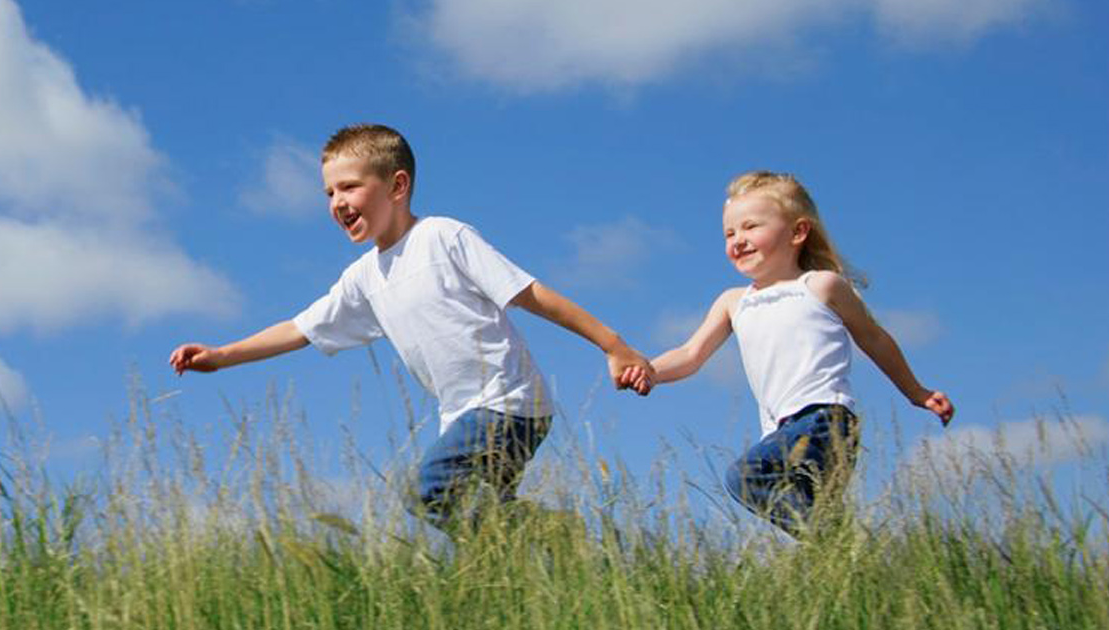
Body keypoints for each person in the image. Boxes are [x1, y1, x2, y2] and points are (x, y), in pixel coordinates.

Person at [168, 123, 652, 533]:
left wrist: (614, 345)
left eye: (350, 187)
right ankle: (549, 544)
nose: (337, 201)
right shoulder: (364, 278)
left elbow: (530, 295)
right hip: (464, 417)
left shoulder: (442, 238)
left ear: (397, 186)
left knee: (429, 490)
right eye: (329, 192)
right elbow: (300, 328)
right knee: (481, 525)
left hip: (509, 405)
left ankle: (547, 536)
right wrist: (222, 355)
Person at [648, 170, 954, 537]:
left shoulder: (820, 286)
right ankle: (851, 560)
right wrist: (648, 371)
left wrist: (916, 392)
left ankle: (842, 547)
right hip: (780, 431)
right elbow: (690, 353)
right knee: (813, 515)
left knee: (746, 477)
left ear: (797, 232)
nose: (738, 240)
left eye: (750, 227)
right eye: (730, 233)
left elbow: (874, 339)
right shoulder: (733, 302)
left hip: (825, 421)